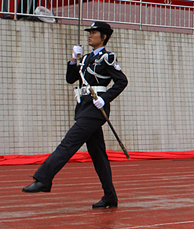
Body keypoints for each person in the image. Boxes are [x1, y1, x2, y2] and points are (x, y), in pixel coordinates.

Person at [22, 22, 128, 209]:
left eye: (94, 33)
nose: (90, 36)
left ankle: (43, 178)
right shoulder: (86, 58)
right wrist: (73, 59)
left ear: (103, 37)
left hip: (95, 109)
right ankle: (110, 196)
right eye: (90, 32)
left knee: (69, 142)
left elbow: (122, 81)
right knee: (98, 154)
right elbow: (71, 79)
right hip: (84, 107)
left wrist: (105, 98)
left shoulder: (107, 57)